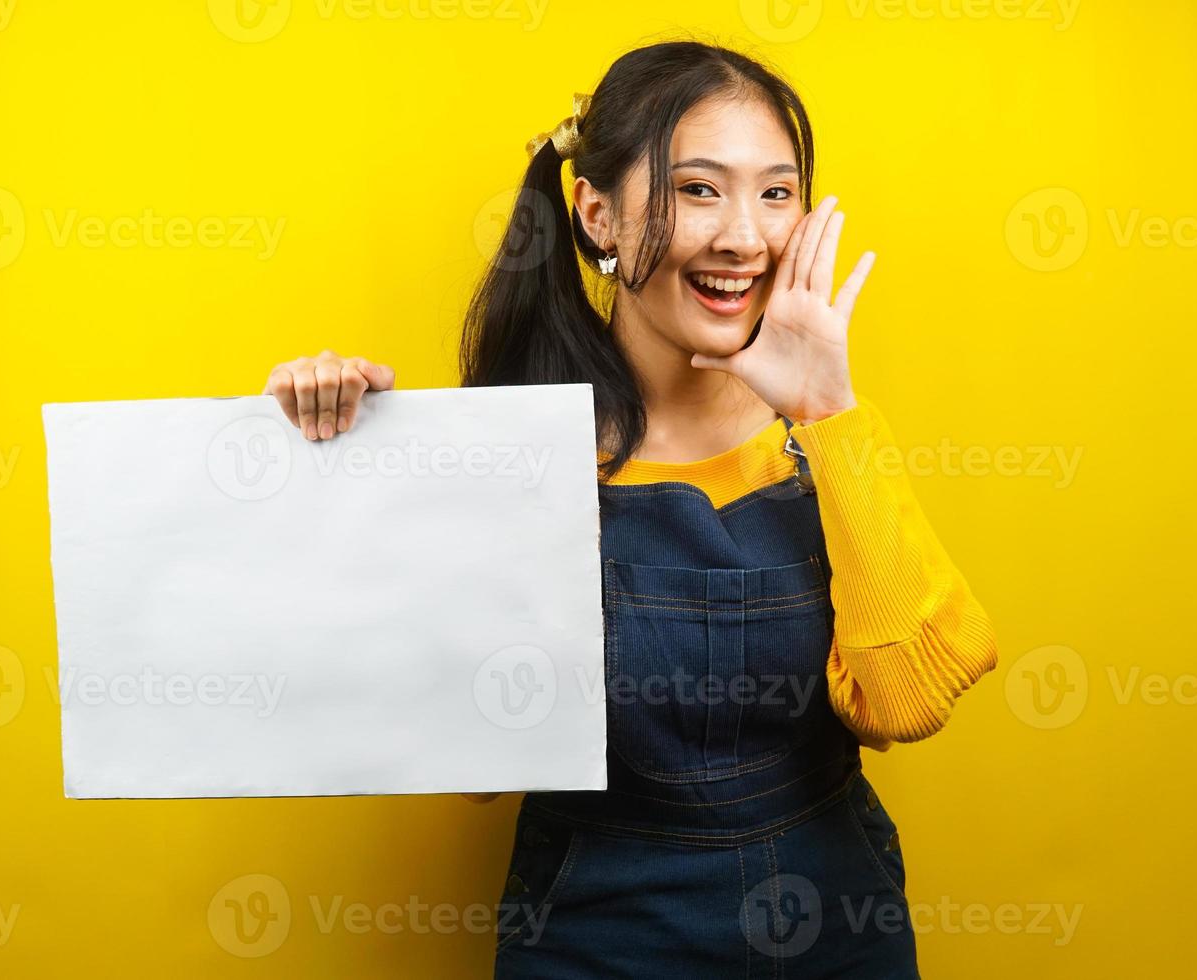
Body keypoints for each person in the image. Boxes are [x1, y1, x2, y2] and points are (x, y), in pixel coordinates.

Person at [260, 39, 998, 979]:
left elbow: (904, 703)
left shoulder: (826, 437)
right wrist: (344, 466)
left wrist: (830, 413)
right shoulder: (518, 456)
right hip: (597, 929)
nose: (745, 237)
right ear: (597, 214)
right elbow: (479, 775)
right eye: (700, 189)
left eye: (777, 193)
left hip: (836, 926)